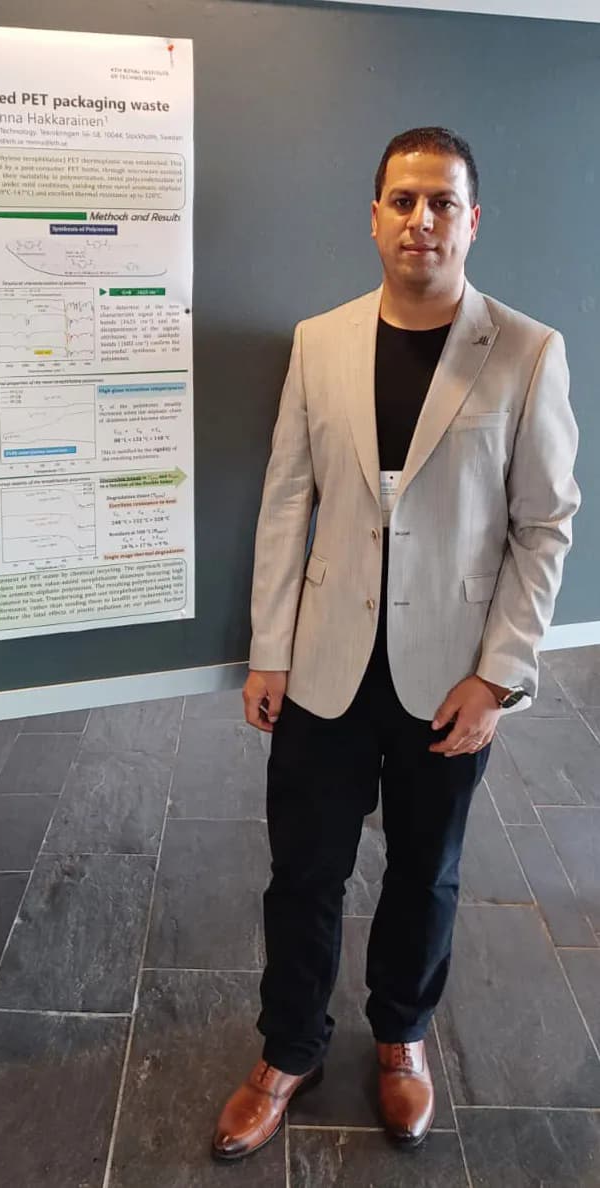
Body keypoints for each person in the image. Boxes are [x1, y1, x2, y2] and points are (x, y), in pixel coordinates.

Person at [212, 127, 581, 1160]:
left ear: (472, 220)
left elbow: (544, 525)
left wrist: (497, 676)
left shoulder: (526, 350)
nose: (422, 220)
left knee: (426, 871)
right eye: (404, 201)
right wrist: (270, 648)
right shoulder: (318, 341)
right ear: (373, 216)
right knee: (302, 874)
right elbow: (286, 498)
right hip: (324, 666)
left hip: (450, 676)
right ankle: (287, 1050)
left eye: (442, 203)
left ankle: (401, 1037)